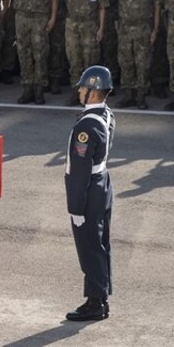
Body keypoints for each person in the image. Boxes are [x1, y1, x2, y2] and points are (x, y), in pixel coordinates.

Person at [65, 65, 115, 322]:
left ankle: (95, 302)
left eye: (84, 87)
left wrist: (75, 207)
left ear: (93, 93)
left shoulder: (87, 125)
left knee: (90, 246)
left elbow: (80, 171)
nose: (80, 90)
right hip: (103, 182)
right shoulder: (106, 115)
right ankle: (102, 295)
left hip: (90, 188)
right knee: (101, 243)